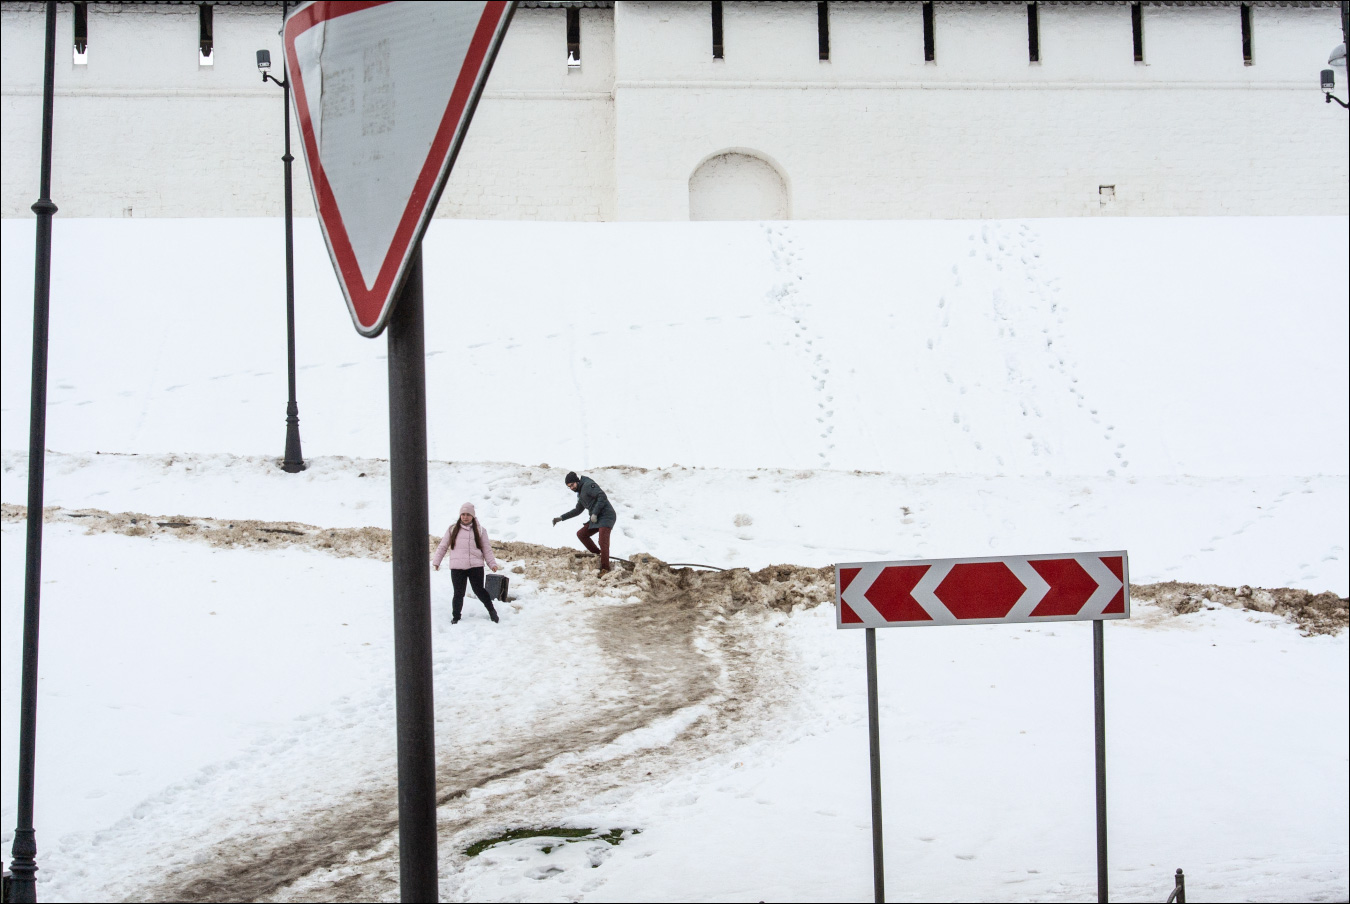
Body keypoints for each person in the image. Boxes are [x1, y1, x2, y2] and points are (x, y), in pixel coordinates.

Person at [433, 502, 501, 623]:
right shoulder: (452, 529)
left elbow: (486, 548)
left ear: (473, 516)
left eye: (468, 515)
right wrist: (437, 561)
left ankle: (492, 611)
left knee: (479, 590)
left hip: (475, 566)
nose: (465, 517)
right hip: (457, 567)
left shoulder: (480, 530)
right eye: (463, 514)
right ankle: (456, 617)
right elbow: (443, 546)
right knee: (458, 593)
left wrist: (492, 564)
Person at [553, 471, 618, 573]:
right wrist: (561, 518)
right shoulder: (580, 493)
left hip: (606, 515)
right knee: (581, 534)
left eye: (572, 485)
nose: (571, 488)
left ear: (577, 481)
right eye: (569, 487)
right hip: (596, 517)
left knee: (602, 541)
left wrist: (595, 513)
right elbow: (577, 510)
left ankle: (605, 568)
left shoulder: (588, 485)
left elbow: (602, 496)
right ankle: (599, 554)